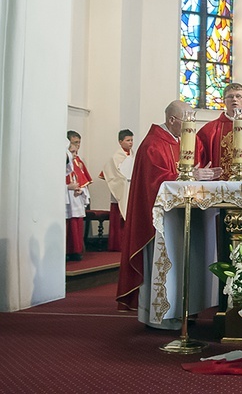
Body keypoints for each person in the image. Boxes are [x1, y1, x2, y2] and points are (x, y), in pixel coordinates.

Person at [116, 100, 222, 325]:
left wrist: (204, 174)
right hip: (160, 222)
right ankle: (161, 318)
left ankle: (186, 311)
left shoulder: (184, 140)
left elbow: (197, 169)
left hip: (185, 215)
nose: (191, 126)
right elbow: (155, 181)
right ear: (172, 120)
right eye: (188, 120)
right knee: (166, 268)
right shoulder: (153, 144)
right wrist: (191, 175)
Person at [100, 129, 134, 252]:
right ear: (120, 142)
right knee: (118, 214)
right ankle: (117, 244)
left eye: (131, 140)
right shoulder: (116, 157)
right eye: (128, 140)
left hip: (130, 187)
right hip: (120, 187)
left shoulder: (133, 155)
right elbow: (112, 174)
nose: (131, 143)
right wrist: (123, 182)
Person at [66, 131, 91, 261]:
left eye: (79, 143)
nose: (78, 146)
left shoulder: (78, 160)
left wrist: (81, 189)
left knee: (77, 222)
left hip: (76, 194)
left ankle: (76, 249)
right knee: (69, 223)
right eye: (75, 143)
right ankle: (69, 250)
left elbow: (82, 178)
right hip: (68, 193)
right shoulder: (66, 159)